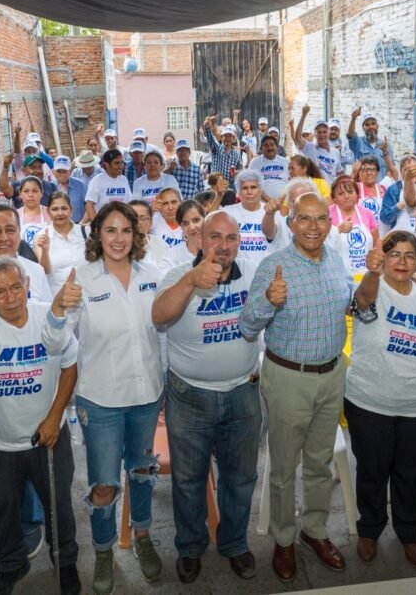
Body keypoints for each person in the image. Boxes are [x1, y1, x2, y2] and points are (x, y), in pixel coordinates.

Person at [48, 202, 164, 595]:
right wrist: (58, 308)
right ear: (97, 235)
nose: (118, 239)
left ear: (137, 235)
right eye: (110, 230)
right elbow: (55, 342)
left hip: (147, 394)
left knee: (143, 471)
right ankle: (102, 550)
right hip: (100, 401)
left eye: (126, 231)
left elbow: (161, 332)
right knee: (104, 484)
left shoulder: (153, 275)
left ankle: (143, 536)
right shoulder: (82, 279)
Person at [0, 257, 82, 594]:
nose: (10, 297)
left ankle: (64, 562)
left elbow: (69, 367)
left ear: (27, 285)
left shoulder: (47, 316)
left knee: (59, 505)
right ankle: (12, 563)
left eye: (15, 287)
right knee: (2, 509)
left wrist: (54, 419)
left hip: (48, 437)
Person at [239, 192, 355, 583]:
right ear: (291, 223)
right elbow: (246, 326)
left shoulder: (336, 260)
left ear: (328, 221)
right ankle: (284, 539)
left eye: (320, 219)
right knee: (284, 467)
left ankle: (315, 530)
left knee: (320, 463)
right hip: (288, 378)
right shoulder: (274, 266)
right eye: (303, 219)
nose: (312, 226)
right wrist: (268, 303)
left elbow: (352, 303)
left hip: (332, 374)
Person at [153, 211, 262, 583]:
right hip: (190, 395)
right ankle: (190, 546)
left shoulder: (252, 271)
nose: (223, 245)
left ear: (239, 243)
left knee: (240, 477)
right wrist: (190, 281)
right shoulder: (178, 275)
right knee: (187, 479)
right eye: (214, 237)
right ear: (200, 240)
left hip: (243, 393)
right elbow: (158, 315)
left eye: (230, 239)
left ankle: (233, 543)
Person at [346, 231, 416, 567]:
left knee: (411, 474)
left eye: (409, 255)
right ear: (382, 258)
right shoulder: (372, 288)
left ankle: (409, 532)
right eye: (394, 254)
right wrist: (371, 272)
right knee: (372, 471)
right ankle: (369, 529)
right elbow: (361, 302)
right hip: (371, 403)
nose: (401, 261)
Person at [223, 170, 285, 263]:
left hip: (265, 271)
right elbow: (209, 224)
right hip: (238, 272)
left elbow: (273, 236)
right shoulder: (228, 212)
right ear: (239, 192)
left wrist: (270, 214)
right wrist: (218, 196)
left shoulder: (274, 213)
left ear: (260, 191)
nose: (249, 192)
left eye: (253, 187)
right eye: (244, 188)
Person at [36, 191, 88, 291]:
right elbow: (45, 271)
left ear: (71, 209)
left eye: (64, 208)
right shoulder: (41, 236)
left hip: (87, 297)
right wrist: (45, 251)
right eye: (55, 209)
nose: (60, 213)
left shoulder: (85, 232)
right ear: (48, 211)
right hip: (58, 299)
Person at [329, 175, 381, 274]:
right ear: (334, 198)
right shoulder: (327, 215)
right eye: (341, 193)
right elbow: (322, 243)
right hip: (338, 274)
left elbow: (376, 241)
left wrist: (377, 262)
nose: (347, 196)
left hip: (366, 273)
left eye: (350, 192)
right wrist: (338, 230)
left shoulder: (367, 213)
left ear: (357, 194)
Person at [346, 108, 397, 182]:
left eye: (373, 124)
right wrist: (353, 118)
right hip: (363, 188)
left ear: (377, 126)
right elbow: (350, 135)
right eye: (367, 125)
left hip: (382, 188)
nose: (371, 127)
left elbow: (391, 167)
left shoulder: (386, 145)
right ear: (363, 128)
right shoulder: (358, 143)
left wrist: (385, 182)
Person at [84, 149, 132, 222]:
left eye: (122, 163)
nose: (121, 166)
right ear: (106, 164)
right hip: (103, 224)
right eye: (116, 163)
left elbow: (130, 203)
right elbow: (89, 205)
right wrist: (96, 226)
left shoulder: (124, 180)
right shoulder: (97, 181)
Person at [160, 200, 206, 273]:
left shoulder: (219, 248)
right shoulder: (171, 256)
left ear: (205, 219)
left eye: (196, 220)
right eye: (185, 223)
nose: (192, 227)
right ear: (180, 226)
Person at [248, 134, 290, 199]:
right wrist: (269, 201)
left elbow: (291, 182)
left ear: (277, 147)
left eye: (272, 145)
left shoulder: (285, 162)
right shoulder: (255, 162)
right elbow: (251, 184)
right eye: (266, 145)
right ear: (261, 149)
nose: (270, 148)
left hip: (284, 202)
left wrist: (281, 201)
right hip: (261, 203)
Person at [14, 177, 52, 247]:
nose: (30, 195)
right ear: (20, 193)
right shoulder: (14, 215)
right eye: (26, 191)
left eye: (35, 191)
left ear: (42, 193)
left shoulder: (50, 213)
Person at [52, 155, 87, 223]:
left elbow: (89, 206)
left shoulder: (80, 185)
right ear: (54, 172)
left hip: (78, 223)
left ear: (70, 171)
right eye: (59, 171)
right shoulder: (51, 186)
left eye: (64, 171)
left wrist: (82, 223)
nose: (61, 174)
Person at [356, 156, 389, 221]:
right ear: (360, 172)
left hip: (381, 230)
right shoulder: (354, 188)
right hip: (362, 229)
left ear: (377, 172)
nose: (369, 173)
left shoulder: (384, 189)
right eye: (365, 170)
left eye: (372, 170)